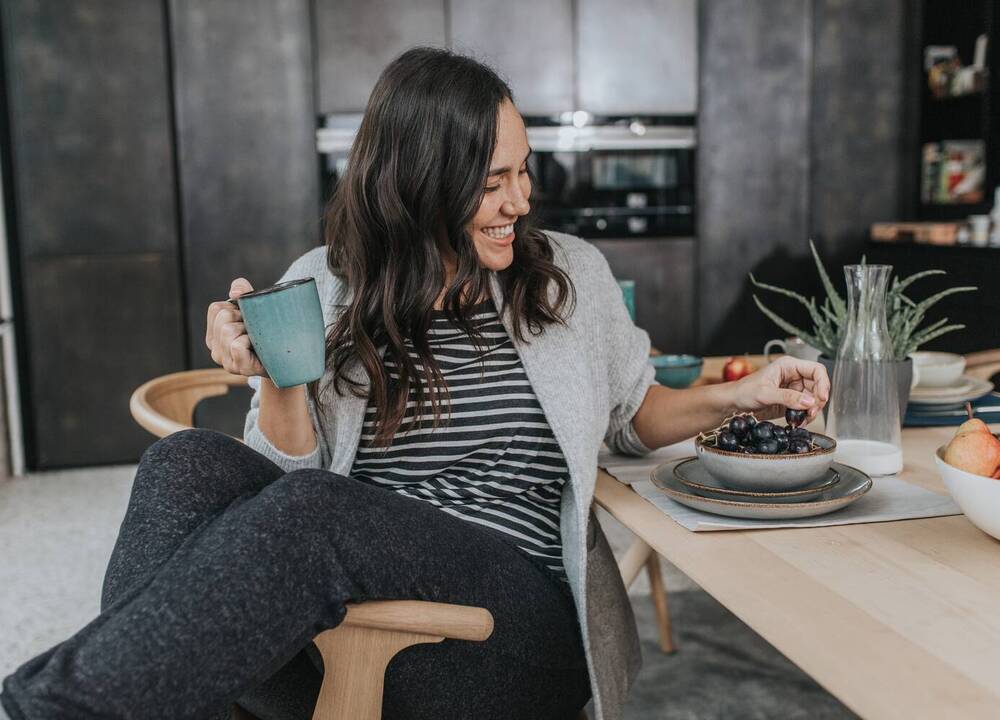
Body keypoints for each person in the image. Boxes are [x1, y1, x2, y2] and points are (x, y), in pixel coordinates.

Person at [0, 47, 829, 720]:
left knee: (312, 515)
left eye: (524, 173)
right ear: (421, 180)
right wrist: (275, 375)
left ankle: (48, 709)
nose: (521, 201)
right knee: (185, 463)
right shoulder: (323, 285)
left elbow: (631, 413)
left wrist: (738, 393)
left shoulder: (570, 277)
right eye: (494, 181)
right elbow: (283, 483)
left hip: (504, 637)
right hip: (339, 621)